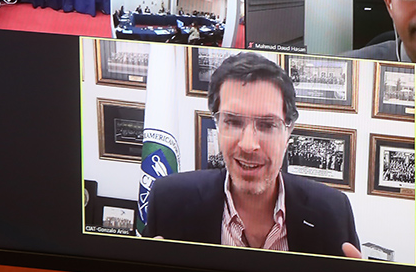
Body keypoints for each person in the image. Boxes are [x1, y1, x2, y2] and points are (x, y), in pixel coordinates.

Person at [143, 52, 361, 257]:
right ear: (217, 124)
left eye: (267, 125)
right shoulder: (169, 200)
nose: (248, 145)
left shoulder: (332, 211)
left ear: (288, 132)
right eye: (233, 122)